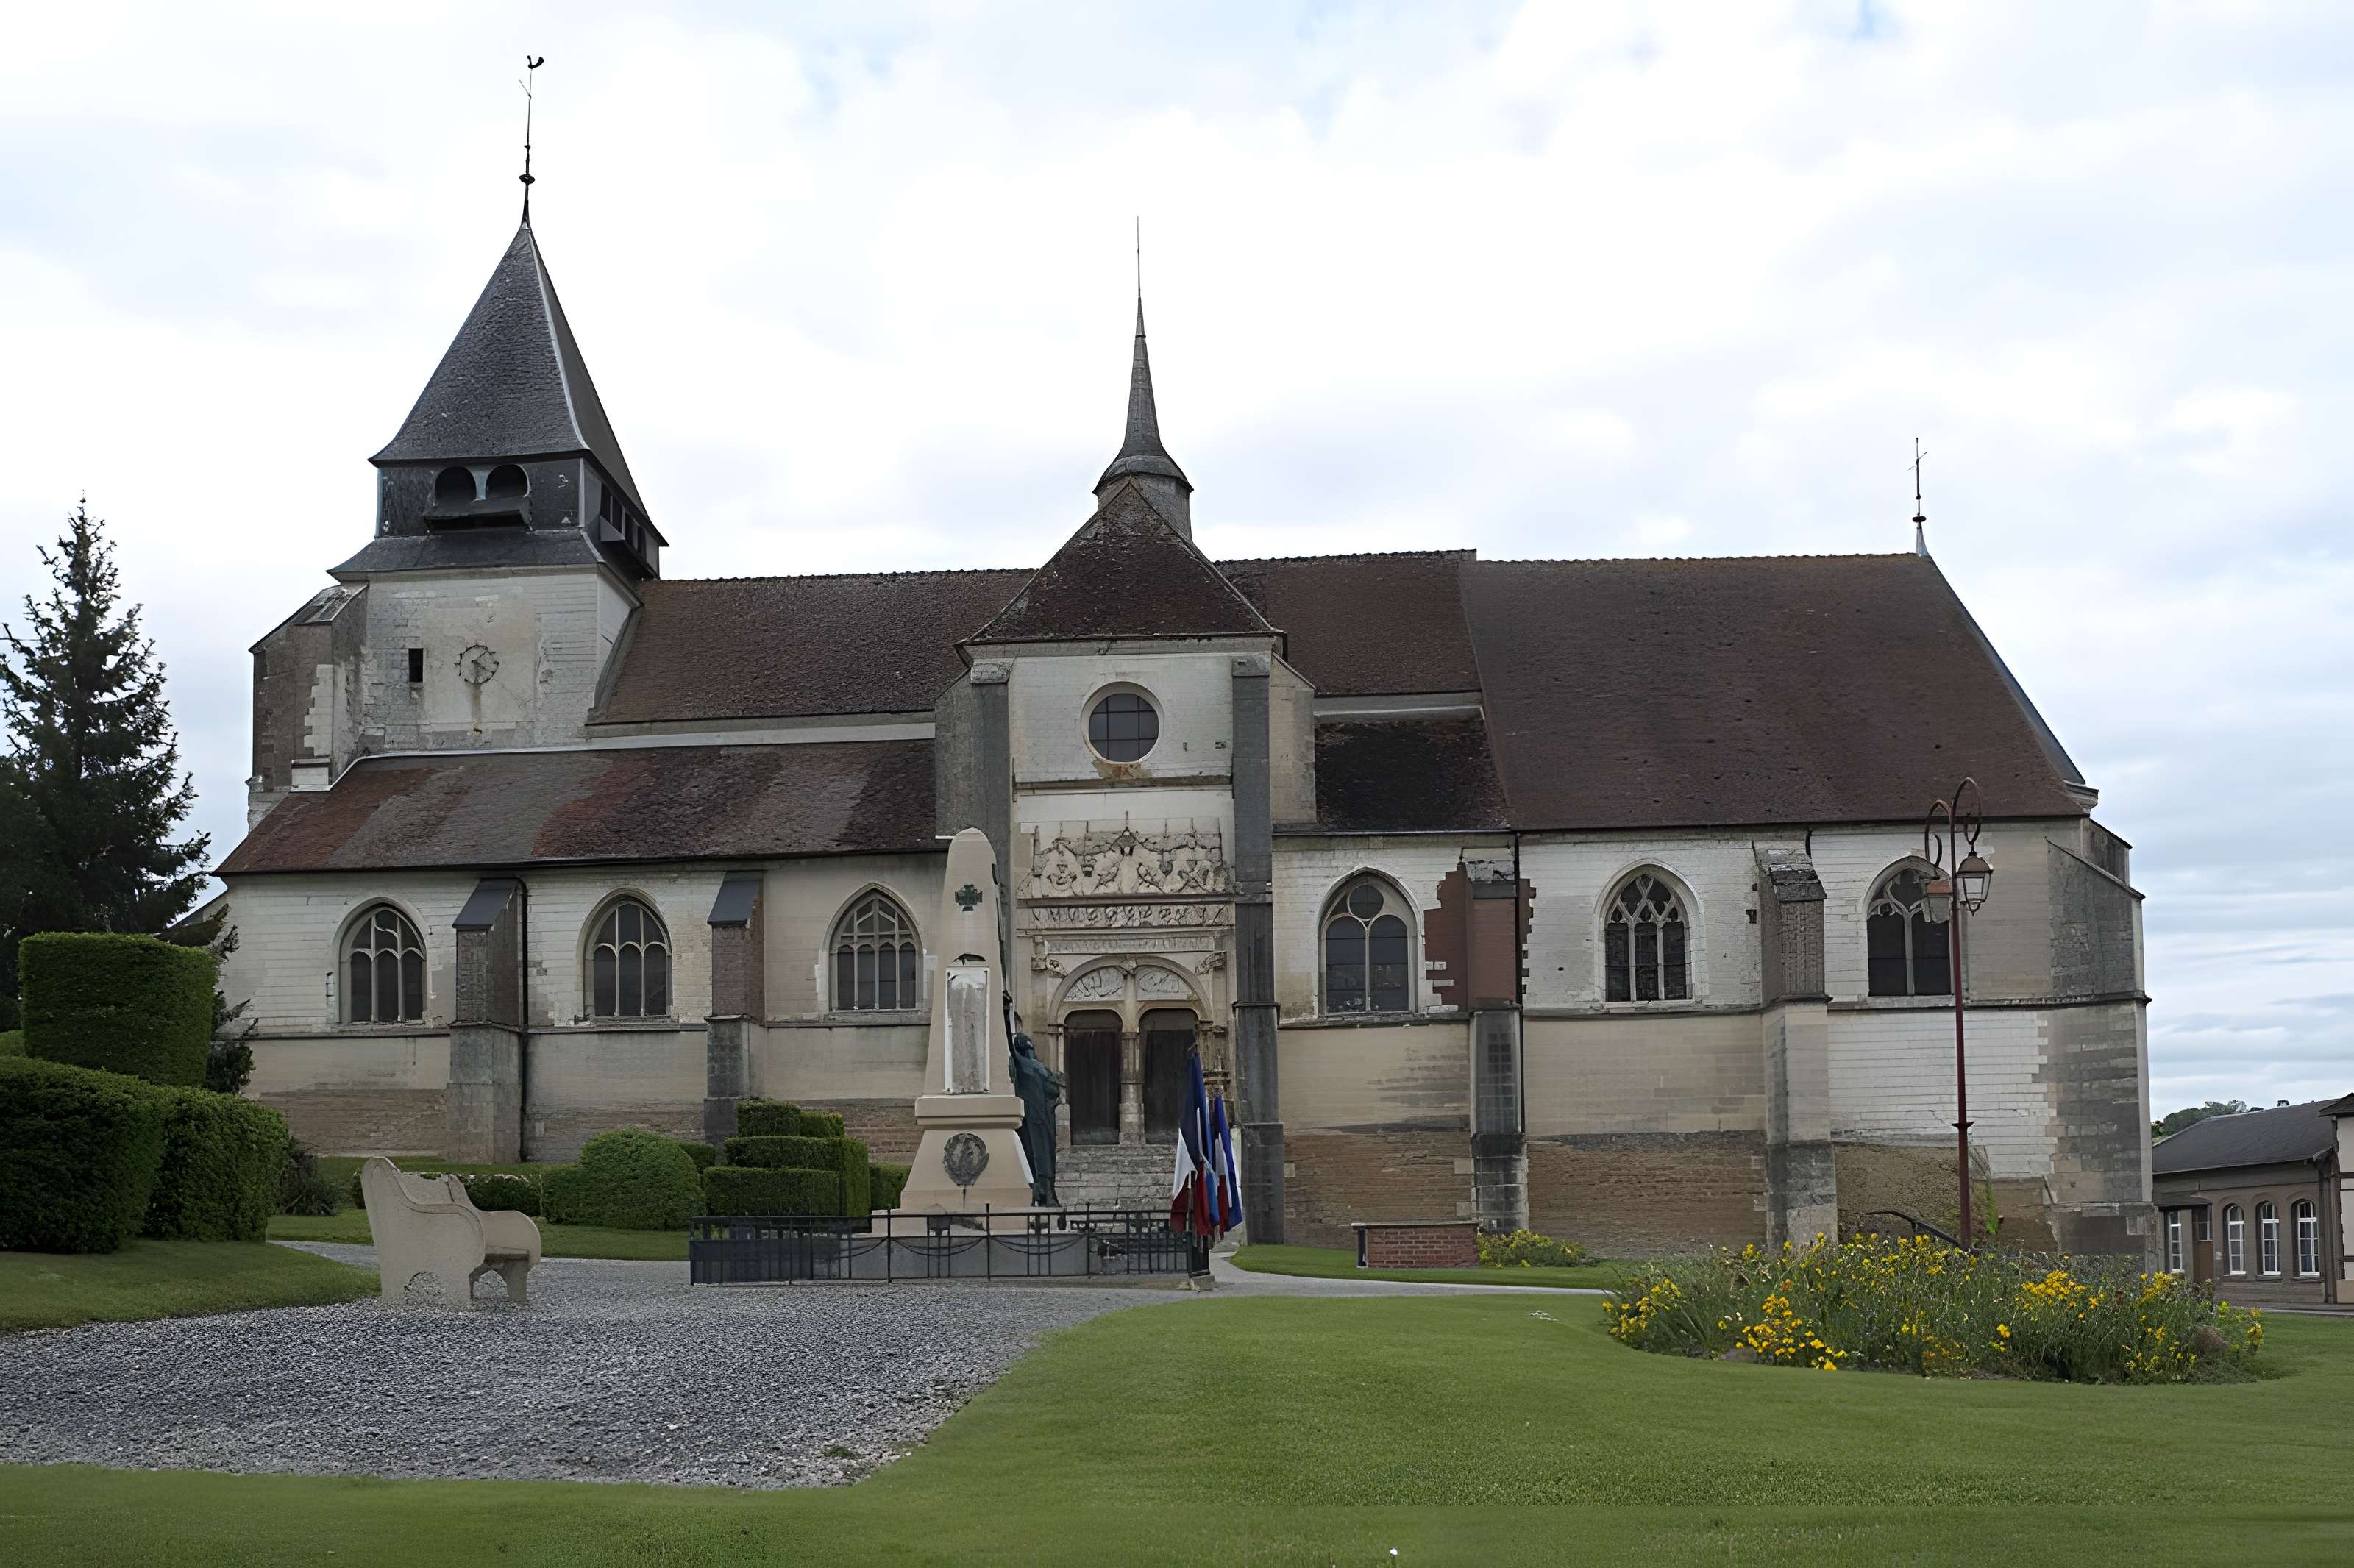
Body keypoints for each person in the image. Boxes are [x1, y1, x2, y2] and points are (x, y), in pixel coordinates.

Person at [1007, 1031, 1064, 1206]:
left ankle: (1047, 1193)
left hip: (1040, 1119)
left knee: (1043, 1156)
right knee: (1033, 1155)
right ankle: (1039, 1193)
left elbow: (1054, 1091)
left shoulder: (1034, 1067)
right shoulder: (1025, 1066)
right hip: (1030, 1120)